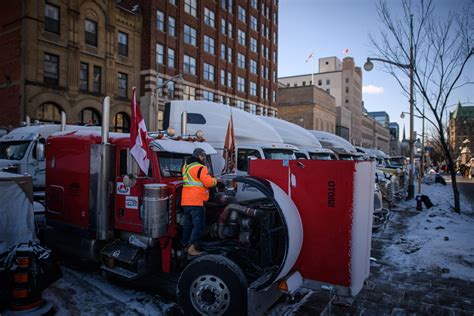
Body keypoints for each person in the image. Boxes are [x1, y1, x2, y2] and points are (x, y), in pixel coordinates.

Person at [181, 148, 217, 256]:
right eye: (203, 156)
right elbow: (208, 183)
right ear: (199, 156)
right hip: (196, 202)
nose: (204, 158)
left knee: (187, 226)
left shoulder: (185, 167)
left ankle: (184, 246)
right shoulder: (201, 168)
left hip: (186, 201)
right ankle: (192, 247)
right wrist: (215, 180)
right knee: (198, 226)